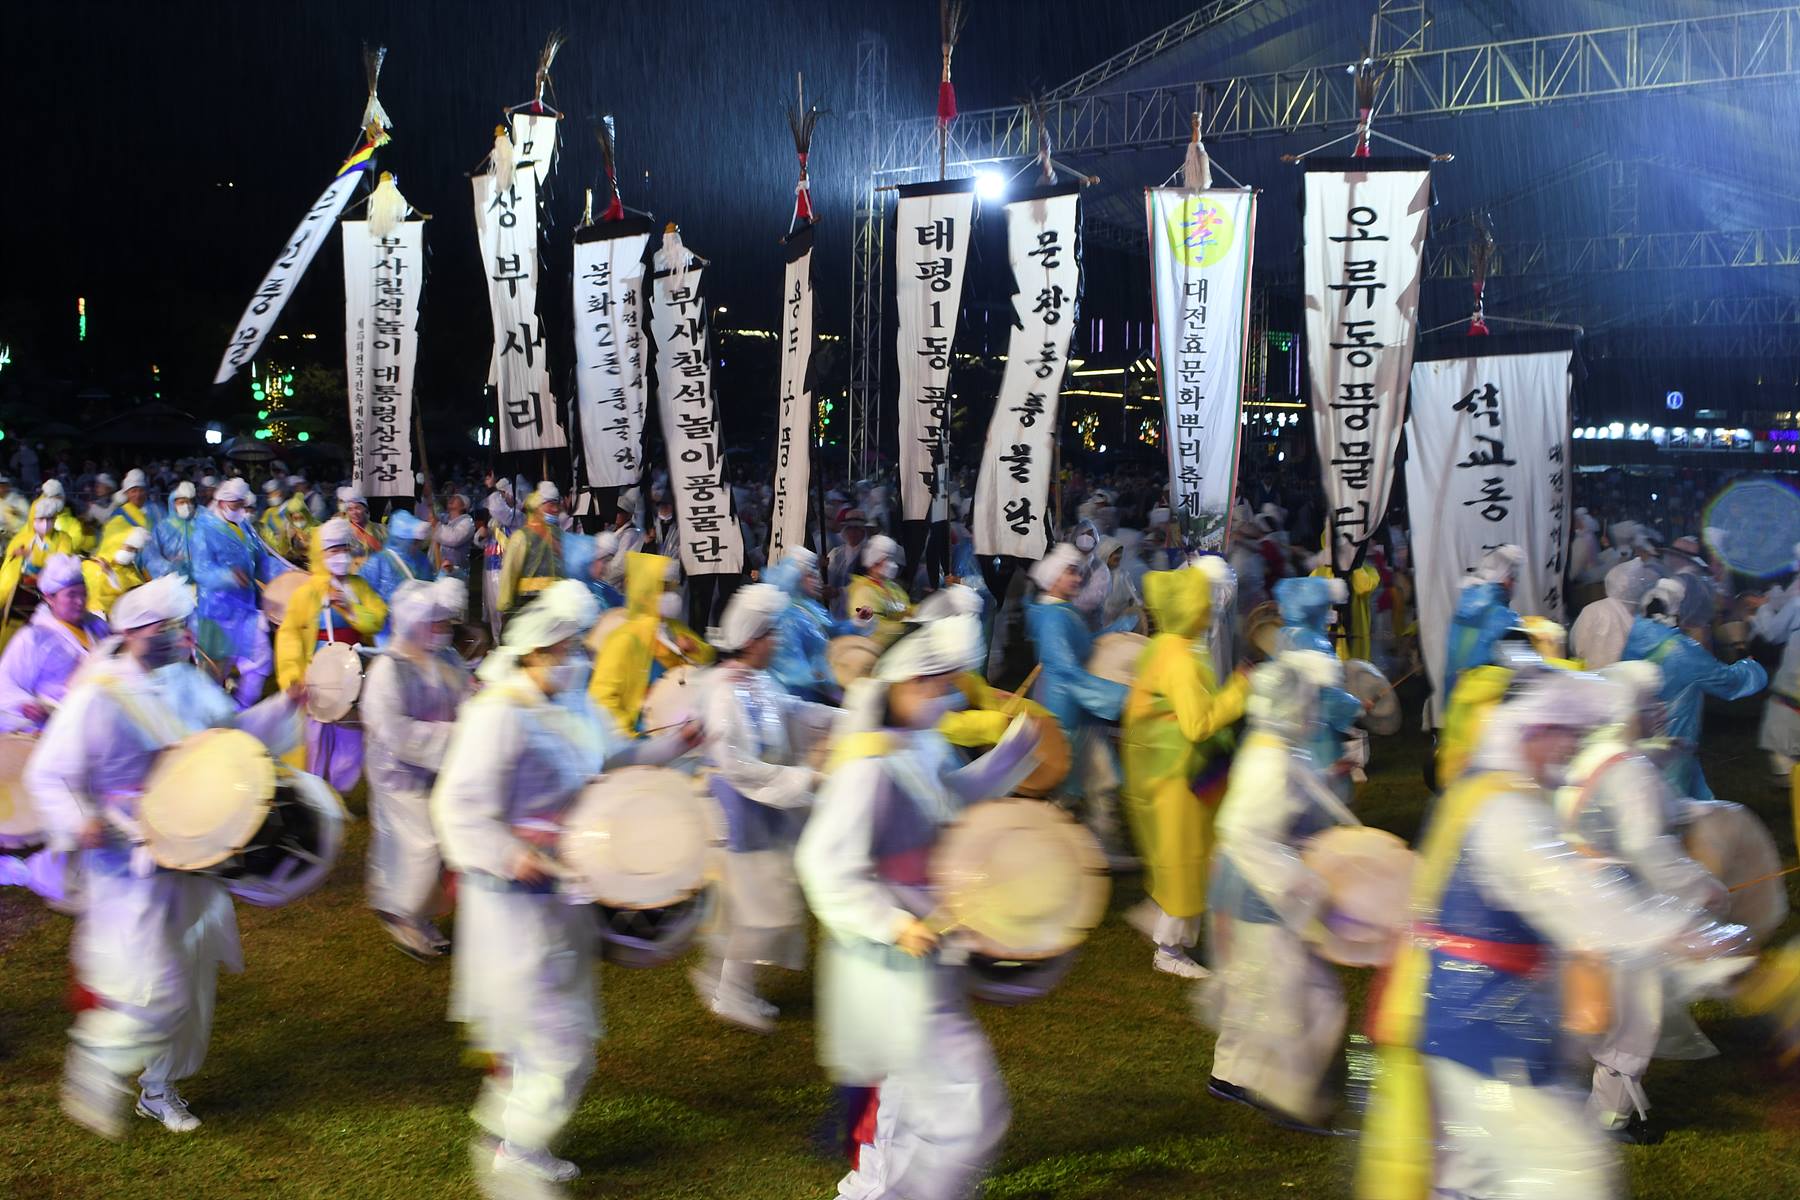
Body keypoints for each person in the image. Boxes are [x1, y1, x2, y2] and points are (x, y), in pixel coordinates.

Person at [1357, 672, 1751, 1200]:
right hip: (1488, 1029)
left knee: (1474, 1167)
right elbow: (1579, 901)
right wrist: (1691, 936)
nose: (1573, 744)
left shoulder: (1484, 788)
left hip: (1463, 1019)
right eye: (1564, 731)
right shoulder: (1507, 811)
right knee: (1564, 1172)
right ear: (1531, 729)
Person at [432, 581, 693, 1190]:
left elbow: (614, 761)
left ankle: (518, 1138)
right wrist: (509, 854)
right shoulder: (496, 714)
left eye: (577, 645)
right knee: (558, 1040)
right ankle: (513, 1150)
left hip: (568, 892)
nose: (575, 657)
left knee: (557, 1031)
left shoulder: (573, 701)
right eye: (565, 647)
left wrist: (678, 744)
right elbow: (458, 807)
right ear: (533, 650)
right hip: (513, 907)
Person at [29, 575, 305, 1138]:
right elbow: (47, 772)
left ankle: (159, 1089)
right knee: (152, 986)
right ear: (136, 632)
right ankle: (98, 1062)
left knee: (193, 976)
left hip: (194, 853)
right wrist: (77, 821)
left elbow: (235, 745)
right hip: (126, 865)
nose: (181, 634)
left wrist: (285, 707)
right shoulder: (98, 695)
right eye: (170, 625)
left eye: (181, 624)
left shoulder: (190, 683)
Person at [795, 612, 1042, 1200]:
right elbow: (822, 864)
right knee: (957, 1109)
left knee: (924, 1110)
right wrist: (892, 923)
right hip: (886, 974)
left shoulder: (914, 748)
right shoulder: (866, 768)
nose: (947, 695)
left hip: (923, 963)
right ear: (901, 686)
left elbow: (947, 802)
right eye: (935, 684)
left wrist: (1008, 760)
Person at [1557, 660, 1728, 1140]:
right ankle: (1606, 1121)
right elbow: (1646, 844)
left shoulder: (1596, 754)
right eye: (1649, 703)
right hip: (1617, 907)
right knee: (1634, 1017)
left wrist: (1704, 802)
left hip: (1574, 902)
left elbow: (1652, 808)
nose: (1659, 709)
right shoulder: (1628, 769)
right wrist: (1701, 886)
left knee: (1592, 1004)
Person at [1205, 650, 1358, 1134]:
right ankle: (1289, 1094)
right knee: (1304, 998)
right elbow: (1249, 834)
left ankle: (1231, 1075)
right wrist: (1301, 885)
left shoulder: (1271, 747)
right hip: (1261, 896)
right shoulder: (1271, 759)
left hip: (1245, 890)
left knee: (1254, 988)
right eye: (1310, 700)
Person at [694, 583, 838, 1031]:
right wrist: (800, 778)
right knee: (754, 909)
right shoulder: (723, 691)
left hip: (761, 809)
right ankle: (731, 993)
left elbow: (792, 711)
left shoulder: (755, 681)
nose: (778, 641)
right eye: (772, 633)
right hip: (740, 812)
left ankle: (727, 986)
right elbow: (731, 762)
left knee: (750, 908)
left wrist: (848, 720)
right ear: (752, 639)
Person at [1120, 564, 1252, 978]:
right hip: (1180, 777)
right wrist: (1238, 692)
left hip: (1165, 772)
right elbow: (1197, 723)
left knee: (1175, 858)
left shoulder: (1164, 645)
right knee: (1186, 862)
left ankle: (1160, 919)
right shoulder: (1180, 658)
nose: (1212, 608)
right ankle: (1170, 949)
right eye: (1205, 602)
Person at [364, 578, 474, 960]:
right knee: (421, 843)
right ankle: (403, 914)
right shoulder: (388, 669)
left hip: (439, 769)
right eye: (439, 624)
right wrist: (451, 737)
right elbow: (393, 730)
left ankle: (418, 914)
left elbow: (465, 696)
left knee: (439, 844)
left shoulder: (446, 660)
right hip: (399, 775)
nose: (446, 632)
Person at [1026, 542, 1138, 863]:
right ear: (1052, 578)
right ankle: (1054, 850)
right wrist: (1120, 697)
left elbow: (1076, 651)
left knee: (1093, 777)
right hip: (1067, 707)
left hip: (1072, 703)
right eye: (1070, 572)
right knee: (1070, 779)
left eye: (1079, 572)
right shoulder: (1054, 618)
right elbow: (1066, 671)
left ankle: (1097, 845)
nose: (1078, 578)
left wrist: (1117, 629)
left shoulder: (1057, 612)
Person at [1622, 576, 1766, 802]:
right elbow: (1728, 682)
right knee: (1674, 807)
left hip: (1641, 734)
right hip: (1673, 741)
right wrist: (1752, 665)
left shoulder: (1636, 633)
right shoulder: (1682, 651)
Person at [274, 518, 387, 790]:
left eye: (344, 549)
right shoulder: (307, 593)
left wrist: (350, 609)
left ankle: (339, 788)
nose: (340, 556)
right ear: (321, 554)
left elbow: (378, 619)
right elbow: (289, 635)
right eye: (333, 550)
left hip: (353, 672)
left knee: (351, 738)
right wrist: (291, 675)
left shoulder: (359, 588)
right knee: (316, 739)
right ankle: (313, 790)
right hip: (318, 676)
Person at [589, 551, 714, 733]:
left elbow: (708, 657)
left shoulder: (673, 627)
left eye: (670, 588)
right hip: (642, 735)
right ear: (645, 591)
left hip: (678, 732)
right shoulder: (624, 637)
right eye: (663, 589)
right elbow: (602, 697)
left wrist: (694, 649)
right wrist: (629, 738)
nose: (672, 596)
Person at [191, 478, 289, 708]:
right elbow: (200, 571)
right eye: (236, 505)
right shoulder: (203, 530)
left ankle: (242, 708)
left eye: (242, 504)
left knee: (260, 662)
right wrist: (228, 577)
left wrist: (285, 577)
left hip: (246, 610)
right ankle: (211, 721)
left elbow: (262, 561)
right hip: (217, 613)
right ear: (222, 502)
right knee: (212, 672)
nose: (240, 510)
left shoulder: (245, 526)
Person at [0, 555, 107, 732]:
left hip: (99, 722)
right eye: (71, 595)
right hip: (56, 730)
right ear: (50, 598)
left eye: (83, 593)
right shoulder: (34, 638)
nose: (80, 601)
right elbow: (5, 683)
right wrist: (27, 705)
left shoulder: (97, 625)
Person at [1441, 545, 1524, 703]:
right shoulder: (1504, 619)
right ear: (1506, 580)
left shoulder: (1460, 615)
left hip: (1455, 714)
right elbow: (1527, 671)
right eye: (1514, 579)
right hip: (1484, 719)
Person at [765, 547, 848, 703]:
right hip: (796, 698)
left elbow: (831, 629)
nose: (817, 578)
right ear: (796, 578)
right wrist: (831, 686)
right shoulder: (786, 617)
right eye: (811, 574)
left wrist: (858, 623)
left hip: (818, 692)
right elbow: (792, 669)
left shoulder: (809, 607)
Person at [1568, 558, 1658, 670]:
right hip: (1622, 681)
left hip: (1589, 677)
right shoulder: (1642, 620)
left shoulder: (1592, 609)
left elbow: (1577, 645)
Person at [0, 497, 80, 614]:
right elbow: (10, 561)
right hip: (21, 586)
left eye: (50, 519)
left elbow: (61, 562)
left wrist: (32, 558)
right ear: (33, 519)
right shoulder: (22, 538)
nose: (46, 523)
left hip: (51, 585)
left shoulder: (63, 538)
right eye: (41, 519)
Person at [498, 483, 566, 617]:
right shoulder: (521, 537)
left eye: (556, 505)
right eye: (551, 505)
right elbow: (509, 572)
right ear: (538, 507)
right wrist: (505, 604)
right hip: (528, 603)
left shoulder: (560, 535)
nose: (555, 509)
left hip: (557, 604)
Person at [847, 534, 911, 645]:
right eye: (888, 559)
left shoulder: (894, 588)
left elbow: (908, 610)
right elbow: (872, 628)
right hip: (876, 649)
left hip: (898, 645)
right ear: (874, 560)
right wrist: (904, 629)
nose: (893, 564)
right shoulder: (863, 591)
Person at [82, 528, 150, 619]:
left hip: (110, 620)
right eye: (129, 548)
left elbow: (131, 596)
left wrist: (111, 574)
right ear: (116, 544)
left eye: (135, 551)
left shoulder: (131, 573)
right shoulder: (89, 565)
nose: (132, 554)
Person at [143, 482, 197, 582]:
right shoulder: (161, 528)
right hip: (171, 580)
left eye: (189, 502)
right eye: (181, 502)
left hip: (199, 579)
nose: (186, 505)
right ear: (173, 504)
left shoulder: (199, 525)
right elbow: (151, 555)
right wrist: (169, 568)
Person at [100, 469, 155, 547]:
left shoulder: (157, 510)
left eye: (141, 490)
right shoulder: (119, 513)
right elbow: (111, 538)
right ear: (127, 493)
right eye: (133, 491)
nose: (138, 495)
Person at [433, 491, 476, 580]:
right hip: (441, 568)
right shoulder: (446, 520)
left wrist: (437, 526)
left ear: (464, 506)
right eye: (452, 497)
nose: (452, 498)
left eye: (457, 498)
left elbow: (454, 538)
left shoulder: (467, 522)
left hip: (457, 572)